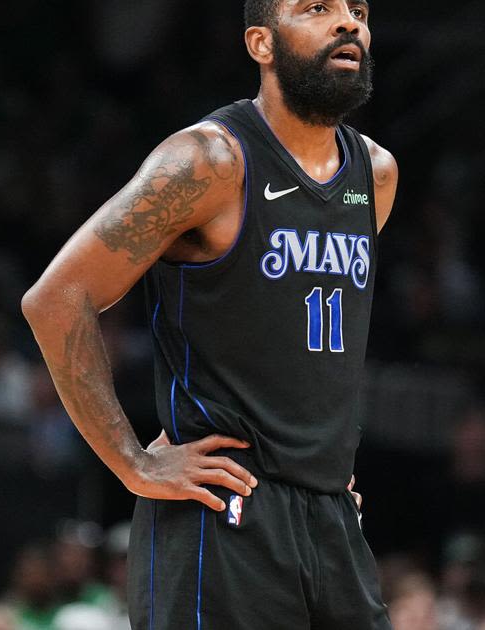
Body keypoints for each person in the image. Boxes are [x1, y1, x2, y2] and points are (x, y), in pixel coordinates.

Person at [22, 0, 397, 627]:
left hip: (331, 512)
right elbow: (57, 298)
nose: (348, 23)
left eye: (358, 10)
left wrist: (321, 473)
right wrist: (132, 462)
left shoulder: (375, 173)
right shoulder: (209, 161)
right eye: (317, 8)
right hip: (222, 506)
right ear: (261, 43)